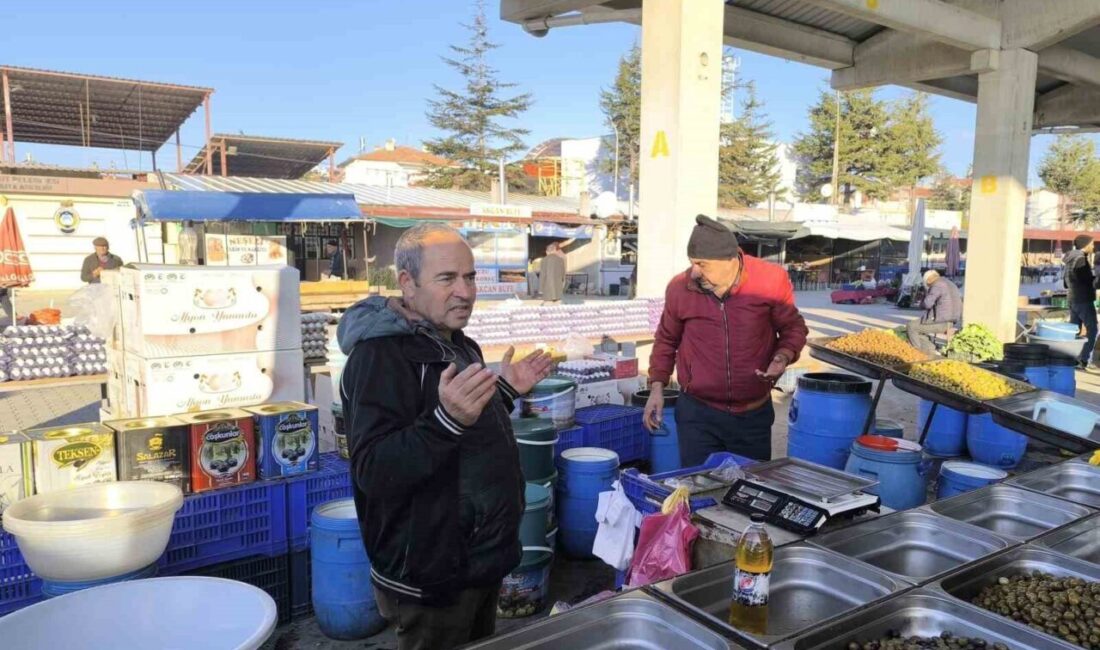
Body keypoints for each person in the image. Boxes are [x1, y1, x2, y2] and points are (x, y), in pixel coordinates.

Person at [336, 223, 552, 650]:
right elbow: (373, 470)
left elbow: (462, 431)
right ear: (407, 283)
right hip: (432, 574)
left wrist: (504, 391)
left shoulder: (456, 342)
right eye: (447, 278)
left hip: (479, 560)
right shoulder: (379, 358)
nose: (466, 292)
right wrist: (445, 420)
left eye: (470, 277)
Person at [644, 215, 809, 465]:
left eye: (703, 264)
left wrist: (782, 356)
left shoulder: (769, 280)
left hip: (752, 414)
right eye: (692, 263)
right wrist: (656, 387)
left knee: (749, 493)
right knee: (699, 489)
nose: (695, 272)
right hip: (697, 414)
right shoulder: (680, 288)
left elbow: (793, 327)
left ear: (731, 259)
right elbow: (666, 339)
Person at [906, 270, 963, 355]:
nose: (928, 286)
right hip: (951, 321)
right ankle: (930, 349)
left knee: (911, 326)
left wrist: (923, 298)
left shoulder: (937, 285)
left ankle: (917, 352)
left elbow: (927, 304)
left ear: (928, 280)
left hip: (941, 322)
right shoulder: (950, 283)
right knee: (919, 327)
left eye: (927, 284)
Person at [1064, 234, 1098, 369]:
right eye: (1092, 244)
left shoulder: (1070, 259)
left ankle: (1070, 358)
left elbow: (1066, 283)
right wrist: (1096, 280)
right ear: (1085, 245)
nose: (1093, 246)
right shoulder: (1081, 260)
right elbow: (1087, 281)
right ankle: (1083, 359)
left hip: (1073, 298)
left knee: (1073, 330)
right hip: (1083, 299)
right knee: (1093, 329)